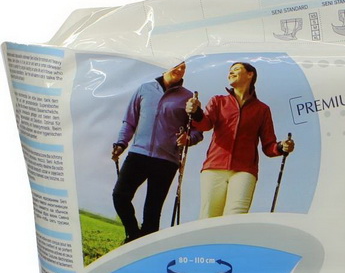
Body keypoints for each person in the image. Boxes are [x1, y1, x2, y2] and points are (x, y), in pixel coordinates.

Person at [185, 62, 295, 218]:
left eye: (236, 69)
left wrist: (281, 147)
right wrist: (196, 112)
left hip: (244, 171)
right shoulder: (218, 101)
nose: (230, 73)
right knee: (208, 217)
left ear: (250, 75)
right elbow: (205, 124)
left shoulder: (262, 109)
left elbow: (269, 145)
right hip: (214, 167)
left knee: (235, 218)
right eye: (229, 71)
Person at [111, 61, 203, 242]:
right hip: (138, 154)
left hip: (167, 161)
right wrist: (121, 143)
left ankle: (145, 247)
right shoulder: (144, 89)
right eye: (177, 65)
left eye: (183, 67)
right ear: (166, 64)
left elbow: (198, 131)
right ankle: (133, 235)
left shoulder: (188, 98)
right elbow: (129, 121)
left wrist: (188, 139)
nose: (180, 70)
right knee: (120, 196)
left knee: (153, 210)